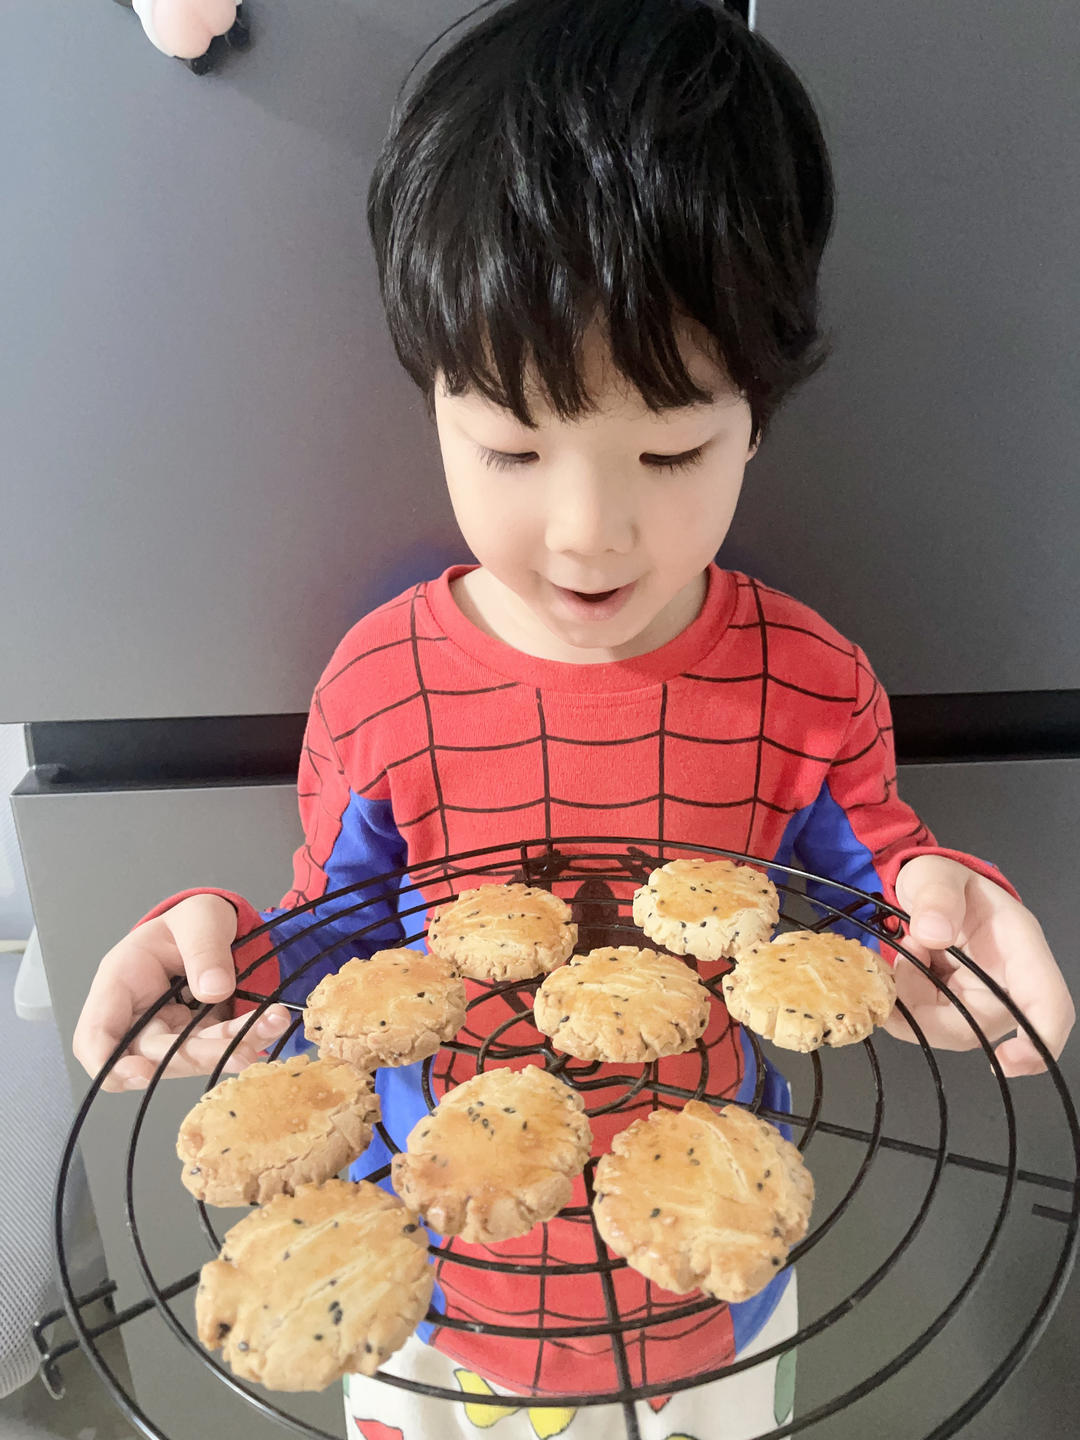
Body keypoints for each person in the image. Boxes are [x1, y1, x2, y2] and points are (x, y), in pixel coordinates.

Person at [72, 2, 1074, 1436]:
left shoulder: (812, 686)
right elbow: (333, 954)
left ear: (758, 418)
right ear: (430, 401)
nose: (587, 533)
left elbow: (865, 919)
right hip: (431, 1285)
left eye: (669, 449)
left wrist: (945, 913)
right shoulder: (377, 685)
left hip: (710, 1283)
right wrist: (215, 963)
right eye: (510, 446)